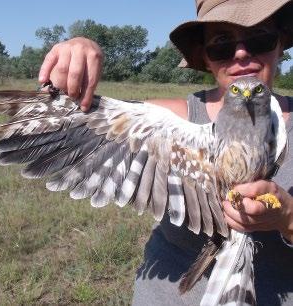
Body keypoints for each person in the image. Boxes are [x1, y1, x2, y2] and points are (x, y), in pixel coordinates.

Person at [38, 0, 293, 304]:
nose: (241, 53)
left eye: (259, 37)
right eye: (221, 45)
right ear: (206, 58)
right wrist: (74, 56)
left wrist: (288, 219)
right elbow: (70, 117)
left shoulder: (280, 124)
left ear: (280, 45)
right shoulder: (173, 121)